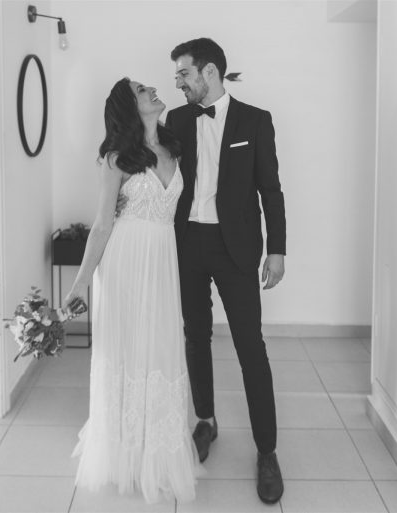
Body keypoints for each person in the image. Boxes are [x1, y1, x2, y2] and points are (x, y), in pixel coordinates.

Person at [65, 77, 201, 504]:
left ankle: (156, 446)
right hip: (124, 261)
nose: (153, 90)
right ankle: (123, 447)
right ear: (129, 106)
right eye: (142, 90)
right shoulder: (117, 159)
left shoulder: (174, 147)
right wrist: (80, 282)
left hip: (161, 260)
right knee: (126, 349)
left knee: (159, 347)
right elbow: (102, 224)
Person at [167, 37, 287, 504]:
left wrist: (276, 250)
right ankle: (206, 420)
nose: (178, 82)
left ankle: (267, 451)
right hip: (187, 243)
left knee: (250, 347)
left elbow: (271, 190)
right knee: (195, 336)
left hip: (236, 247)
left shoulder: (255, 121)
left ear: (210, 72)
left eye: (184, 73)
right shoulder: (177, 120)